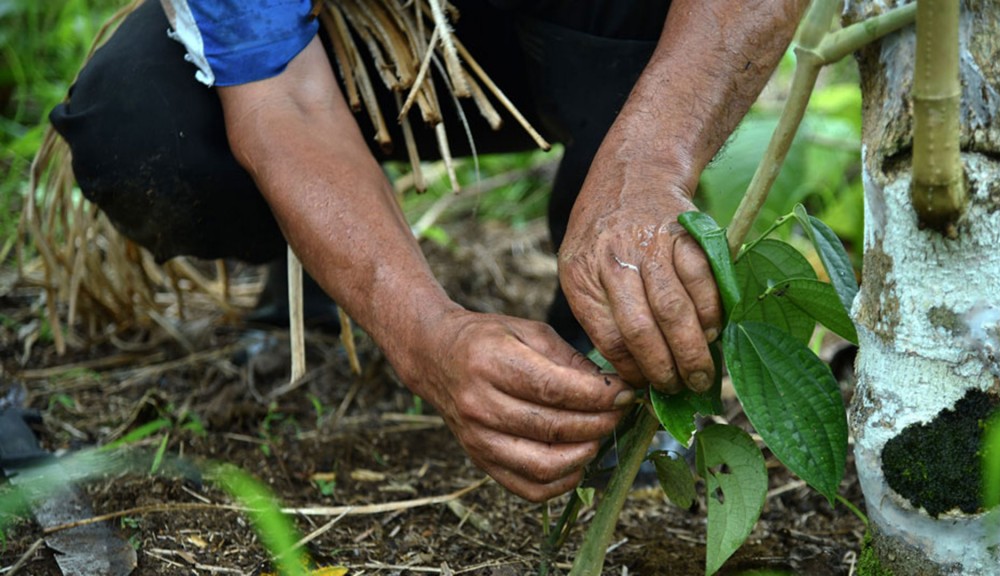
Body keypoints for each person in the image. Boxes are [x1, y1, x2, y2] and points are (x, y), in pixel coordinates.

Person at [49, 0, 807, 501]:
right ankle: (319, 272)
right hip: (369, 33)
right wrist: (424, 333)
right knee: (139, 129)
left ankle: (603, 334)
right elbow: (282, 95)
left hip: (599, 20)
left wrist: (648, 163)